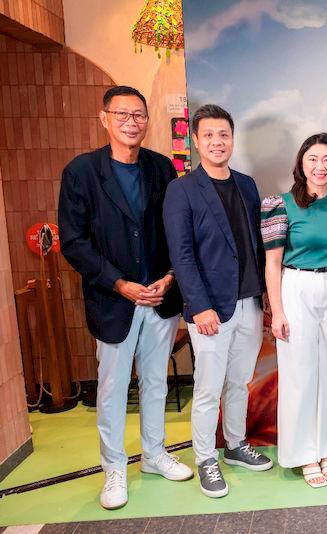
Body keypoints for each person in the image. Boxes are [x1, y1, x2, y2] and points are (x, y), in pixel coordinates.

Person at [59, 85, 192, 510]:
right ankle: (113, 468)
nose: (131, 122)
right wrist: (118, 283)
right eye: (122, 114)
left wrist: (171, 277)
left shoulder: (160, 169)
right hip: (113, 299)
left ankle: (154, 455)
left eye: (138, 115)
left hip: (159, 297)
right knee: (114, 389)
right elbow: (74, 242)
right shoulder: (81, 172)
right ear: (105, 118)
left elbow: (175, 229)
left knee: (155, 382)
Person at [163, 104, 272, 498]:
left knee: (239, 382)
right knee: (208, 388)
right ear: (195, 140)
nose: (216, 142)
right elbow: (182, 255)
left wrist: (265, 296)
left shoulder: (246, 185)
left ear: (232, 138)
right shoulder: (181, 190)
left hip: (249, 302)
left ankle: (236, 445)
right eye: (208, 135)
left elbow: (257, 246)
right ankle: (206, 457)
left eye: (223, 134)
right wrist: (199, 305)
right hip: (210, 308)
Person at [261, 133, 327, 488]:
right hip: (295, 287)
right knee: (299, 375)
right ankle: (302, 454)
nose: (320, 166)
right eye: (313, 159)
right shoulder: (279, 204)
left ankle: (324, 449)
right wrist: (278, 311)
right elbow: (272, 264)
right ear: (301, 163)